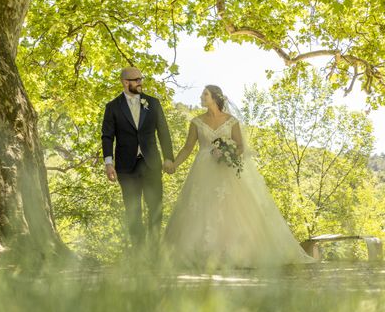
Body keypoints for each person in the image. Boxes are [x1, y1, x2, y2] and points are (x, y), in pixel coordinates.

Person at [164, 85, 314, 267]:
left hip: (227, 168)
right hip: (202, 169)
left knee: (232, 208)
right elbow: (188, 148)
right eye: (202, 94)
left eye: (205, 94)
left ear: (215, 97)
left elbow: (241, 146)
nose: (201, 97)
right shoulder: (196, 122)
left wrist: (229, 153)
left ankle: (237, 252)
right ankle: (198, 255)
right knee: (201, 207)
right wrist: (174, 165)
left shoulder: (231, 121)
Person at [102, 67, 175, 248]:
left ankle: (154, 249)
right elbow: (107, 136)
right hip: (126, 167)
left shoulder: (153, 103)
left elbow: (163, 131)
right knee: (133, 210)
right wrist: (108, 164)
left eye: (141, 78)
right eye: (136, 80)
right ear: (125, 82)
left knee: (155, 207)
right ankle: (138, 252)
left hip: (151, 164)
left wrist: (168, 157)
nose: (140, 82)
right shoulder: (112, 107)